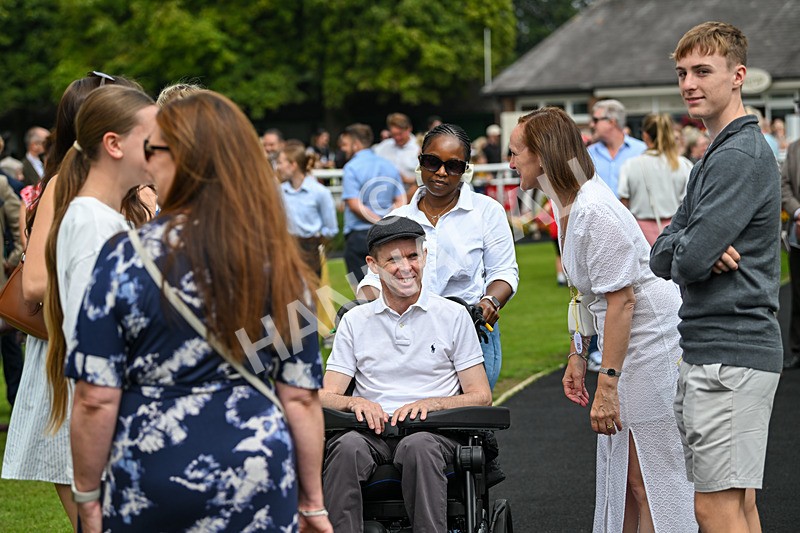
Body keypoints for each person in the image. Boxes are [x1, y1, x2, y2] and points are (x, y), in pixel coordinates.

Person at [65, 91, 332, 532]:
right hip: (256, 468)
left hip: (151, 470)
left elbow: (95, 397)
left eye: (155, 150)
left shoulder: (123, 256)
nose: (149, 164)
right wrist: (312, 501)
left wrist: (88, 496)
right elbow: (301, 395)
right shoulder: (280, 260)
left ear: (185, 160)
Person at [510, 106, 696, 532]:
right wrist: (578, 353)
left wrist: (606, 384)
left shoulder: (594, 210)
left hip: (651, 341)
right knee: (626, 474)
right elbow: (583, 293)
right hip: (627, 338)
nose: (511, 161)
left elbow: (623, 301)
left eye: (516, 151)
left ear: (542, 154)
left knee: (649, 474)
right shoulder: (567, 202)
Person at [651, 22, 782, 533]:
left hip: (731, 351)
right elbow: (664, 254)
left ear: (738, 76)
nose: (689, 83)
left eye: (704, 71)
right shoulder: (716, 153)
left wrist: (691, 247)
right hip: (718, 350)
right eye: (683, 72)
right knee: (739, 504)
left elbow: (680, 259)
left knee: (713, 508)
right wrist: (692, 246)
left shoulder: (738, 155)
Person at [2, 71, 143, 530]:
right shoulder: (66, 184)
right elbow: (35, 285)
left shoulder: (126, 185)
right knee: (85, 486)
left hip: (120, 348)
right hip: (72, 345)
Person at [321, 215, 492, 532]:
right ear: (373, 264)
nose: (405, 267)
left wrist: (433, 404)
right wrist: (353, 403)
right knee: (344, 448)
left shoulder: (453, 316)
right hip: (371, 431)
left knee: (419, 447)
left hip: (434, 432)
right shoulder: (355, 321)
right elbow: (325, 396)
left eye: (413, 256)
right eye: (393, 260)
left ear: (425, 256)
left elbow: (482, 396)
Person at [357, 124, 518, 390]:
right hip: (407, 338)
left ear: (466, 169)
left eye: (453, 166)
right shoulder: (396, 221)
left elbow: (504, 273)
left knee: (469, 420)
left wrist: (490, 302)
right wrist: (363, 307)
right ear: (420, 162)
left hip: (469, 333)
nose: (441, 172)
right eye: (432, 162)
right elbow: (374, 281)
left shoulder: (487, 211)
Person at [340, 123, 404, 286]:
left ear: (356, 144)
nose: (343, 149)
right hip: (386, 236)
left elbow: (354, 205)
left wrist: (378, 222)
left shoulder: (351, 167)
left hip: (359, 238)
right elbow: (401, 199)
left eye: (346, 144)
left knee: (364, 296)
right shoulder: (389, 165)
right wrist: (386, 222)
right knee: (390, 290)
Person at [618, 113, 693, 245]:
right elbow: (690, 202)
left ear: (645, 135)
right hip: (676, 231)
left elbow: (623, 204)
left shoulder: (630, 165)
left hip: (640, 232)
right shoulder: (683, 165)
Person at [276, 141, 339, 275]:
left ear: (293, 165)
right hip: (285, 248)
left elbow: (331, 228)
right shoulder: (279, 192)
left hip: (310, 249)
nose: (278, 167)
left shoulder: (319, 192)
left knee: (310, 294)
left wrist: (314, 241)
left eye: (281, 163)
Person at [587, 99, 647, 198]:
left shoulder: (642, 151)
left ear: (612, 122)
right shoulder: (588, 154)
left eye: (595, 120)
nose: (592, 125)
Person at [783, 137, 800, 369]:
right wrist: (797, 212)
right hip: (798, 234)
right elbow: (783, 184)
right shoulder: (795, 149)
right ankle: (797, 350)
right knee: (798, 296)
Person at [373, 113, 420, 197]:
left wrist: (407, 180)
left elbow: (426, 178)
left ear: (409, 129)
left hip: (413, 197)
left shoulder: (418, 148)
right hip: (385, 196)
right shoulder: (383, 147)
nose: (397, 138)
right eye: (394, 134)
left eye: (400, 134)